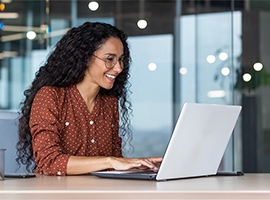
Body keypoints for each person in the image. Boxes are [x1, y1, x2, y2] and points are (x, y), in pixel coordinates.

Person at [16, 22, 162, 176]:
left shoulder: (109, 103)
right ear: (85, 58)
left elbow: (114, 165)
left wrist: (141, 165)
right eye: (110, 59)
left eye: (120, 60)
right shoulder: (50, 96)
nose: (119, 68)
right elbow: (49, 162)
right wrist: (109, 161)